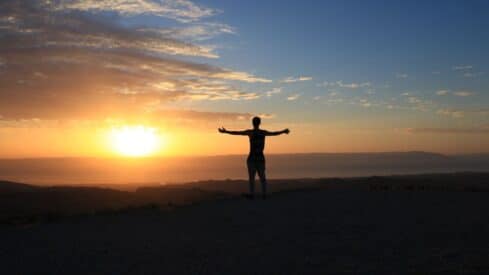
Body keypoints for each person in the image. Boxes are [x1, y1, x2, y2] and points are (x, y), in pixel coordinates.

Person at [218, 116, 290, 199]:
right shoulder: (262, 132)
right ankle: (263, 195)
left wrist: (226, 132)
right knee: (262, 177)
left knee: (253, 178)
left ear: (253, 123)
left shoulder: (251, 132)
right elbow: (274, 133)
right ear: (259, 123)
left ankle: (254, 194)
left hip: (252, 158)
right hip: (259, 158)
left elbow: (237, 133)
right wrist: (283, 131)